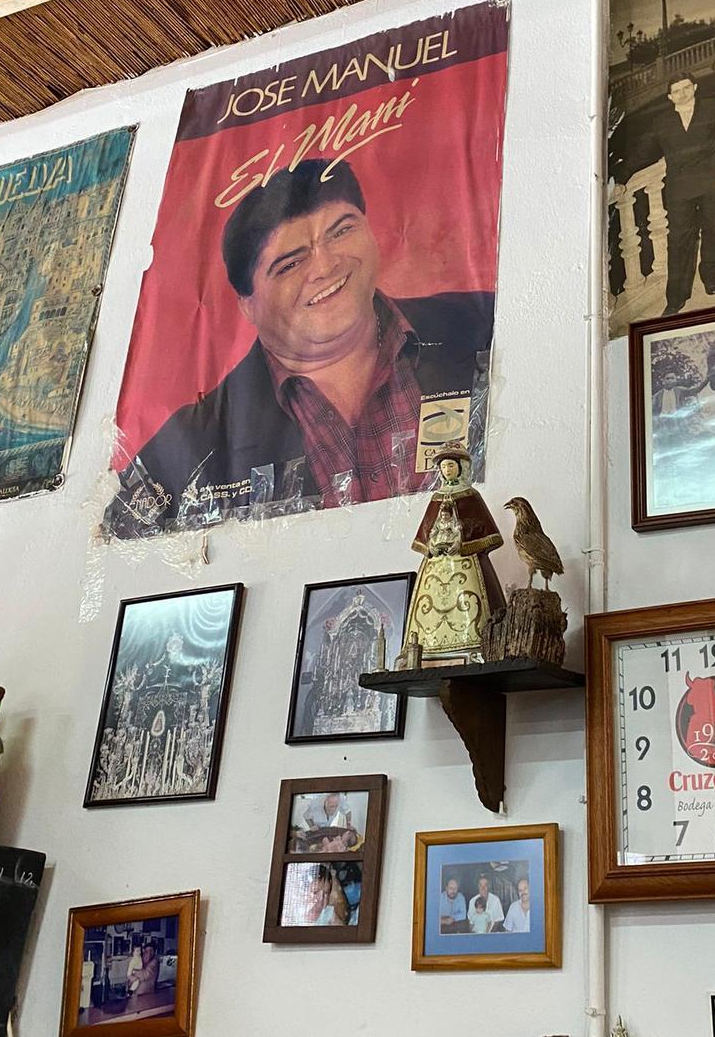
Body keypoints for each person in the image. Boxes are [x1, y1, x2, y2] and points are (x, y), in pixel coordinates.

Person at [107, 159, 494, 536]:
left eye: (341, 231)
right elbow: (122, 565)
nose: (324, 266)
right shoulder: (190, 448)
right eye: (290, 264)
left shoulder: (485, 325)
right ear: (248, 305)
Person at [640, 73, 715, 316]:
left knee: (712, 229)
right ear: (670, 96)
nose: (682, 93)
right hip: (679, 185)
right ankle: (676, 296)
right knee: (679, 239)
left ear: (694, 87)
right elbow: (644, 150)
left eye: (686, 88)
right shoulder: (661, 120)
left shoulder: (714, 107)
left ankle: (710, 274)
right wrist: (620, 177)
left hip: (712, 179)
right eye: (677, 91)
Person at [399, 443, 505, 664]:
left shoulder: (470, 496)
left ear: (460, 467)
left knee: (472, 599)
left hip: (465, 563)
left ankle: (475, 645)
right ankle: (426, 650)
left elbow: (485, 531)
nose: (447, 470)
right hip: (438, 564)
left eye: (451, 465)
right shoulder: (436, 498)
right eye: (444, 466)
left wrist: (462, 544)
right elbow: (426, 534)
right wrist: (433, 547)